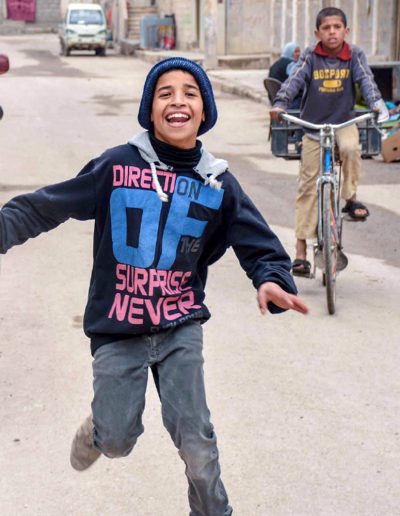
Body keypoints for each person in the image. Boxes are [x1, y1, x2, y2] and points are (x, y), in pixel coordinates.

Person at [0, 57, 308, 514]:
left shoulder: (218, 183)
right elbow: (46, 206)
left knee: (197, 444)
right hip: (118, 327)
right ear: (150, 110)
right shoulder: (116, 165)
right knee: (117, 440)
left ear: (204, 111)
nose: (177, 101)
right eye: (165, 93)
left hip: (180, 324)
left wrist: (271, 279)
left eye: (190, 93)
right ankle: (99, 430)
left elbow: (258, 242)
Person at [270, 7, 389, 276]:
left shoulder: (354, 54)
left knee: (351, 149)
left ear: (346, 31)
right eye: (326, 28)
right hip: (314, 127)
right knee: (307, 187)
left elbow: (366, 80)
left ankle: (350, 199)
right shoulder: (311, 55)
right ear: (317, 33)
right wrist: (280, 103)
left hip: (343, 123)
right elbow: (294, 80)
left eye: (337, 27)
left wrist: (376, 103)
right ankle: (301, 252)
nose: (332, 32)